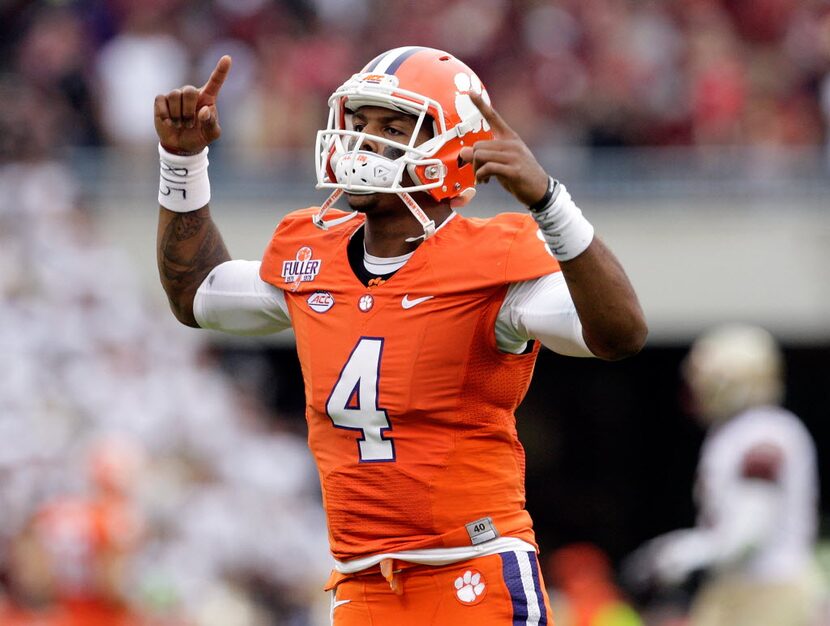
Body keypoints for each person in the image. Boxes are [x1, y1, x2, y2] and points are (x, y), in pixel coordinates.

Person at [152, 46, 647, 626]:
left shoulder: (491, 262)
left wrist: (550, 203)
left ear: (451, 144)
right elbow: (197, 296)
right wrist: (181, 165)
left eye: (391, 127)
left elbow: (619, 333)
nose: (362, 142)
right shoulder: (313, 253)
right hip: (361, 584)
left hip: (474, 574)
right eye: (357, 124)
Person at [626, 324, 825, 626]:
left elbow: (749, 532)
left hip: (770, 587)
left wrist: (680, 553)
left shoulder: (764, 434)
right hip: (738, 584)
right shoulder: (737, 432)